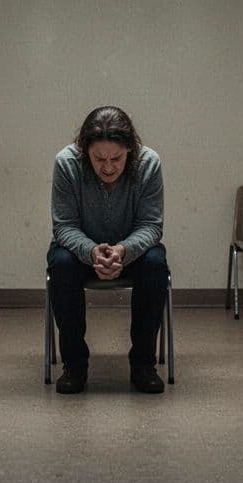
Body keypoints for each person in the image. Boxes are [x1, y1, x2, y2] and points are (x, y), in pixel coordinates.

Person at [47, 106, 168, 394]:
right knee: (61, 263)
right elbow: (63, 226)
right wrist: (91, 251)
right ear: (85, 151)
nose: (109, 167)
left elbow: (151, 225)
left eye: (117, 158)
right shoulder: (66, 163)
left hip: (132, 252)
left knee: (155, 263)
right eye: (99, 159)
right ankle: (74, 365)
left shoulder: (149, 163)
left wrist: (124, 250)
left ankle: (143, 364)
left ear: (130, 149)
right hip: (81, 252)